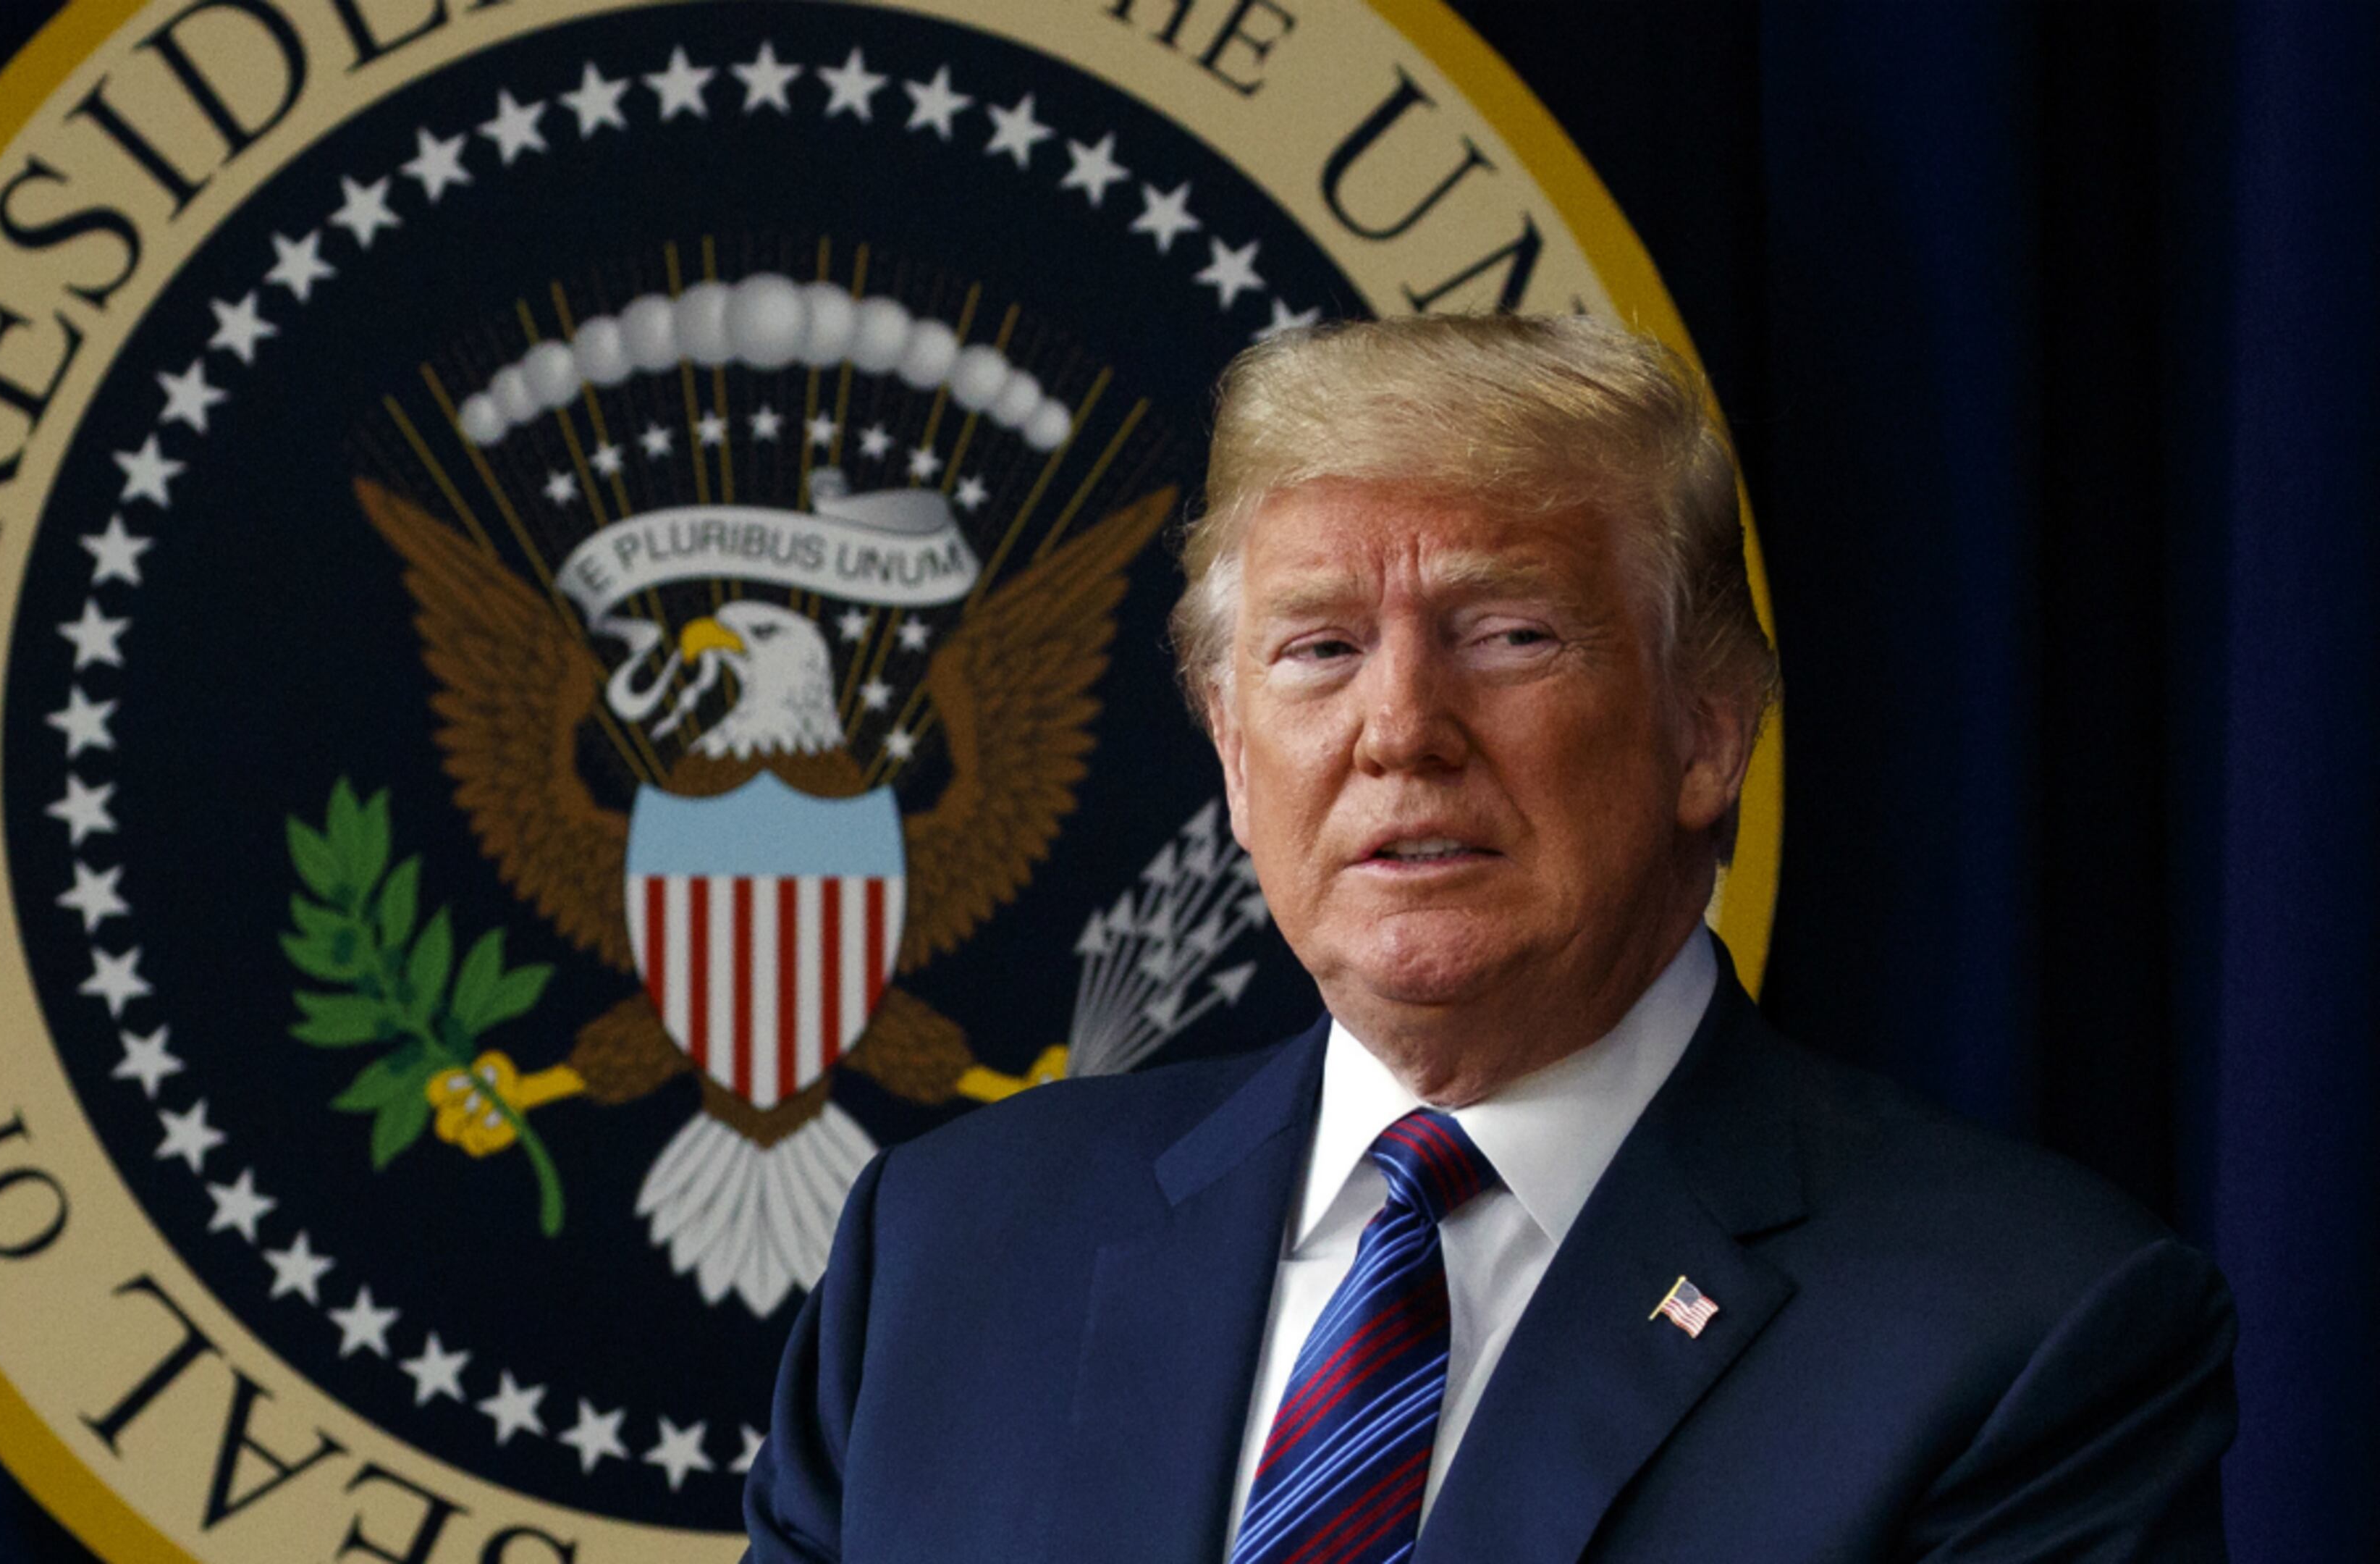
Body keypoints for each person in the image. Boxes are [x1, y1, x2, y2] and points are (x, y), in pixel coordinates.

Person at [740, 315, 2235, 1563]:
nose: (1402, 728)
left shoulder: (2027, 1334)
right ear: (1236, 757)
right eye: (1321, 649)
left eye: (1509, 634)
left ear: (1708, 731)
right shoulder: (943, 1255)